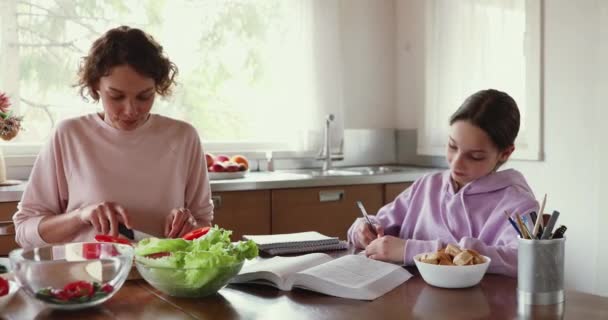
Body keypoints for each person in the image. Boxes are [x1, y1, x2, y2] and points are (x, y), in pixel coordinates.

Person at [13, 26, 213, 249]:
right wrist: (81, 215)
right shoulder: (69, 136)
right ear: (95, 85)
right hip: (87, 280)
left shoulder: (183, 137)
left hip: (162, 280)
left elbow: (203, 226)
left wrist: (190, 226)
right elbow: (25, 231)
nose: (131, 110)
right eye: (116, 96)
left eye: (144, 96)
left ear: (158, 87)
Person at [348, 89, 538, 277]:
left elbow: (523, 259)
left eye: (475, 156)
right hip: (408, 299)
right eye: (452, 146)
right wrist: (363, 229)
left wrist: (414, 251)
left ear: (505, 153)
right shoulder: (428, 186)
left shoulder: (517, 203)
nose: (456, 163)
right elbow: (379, 225)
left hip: (476, 304)